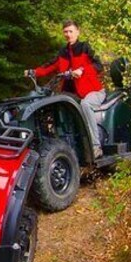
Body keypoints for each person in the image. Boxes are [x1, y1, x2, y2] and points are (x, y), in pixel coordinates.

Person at [24, 20, 105, 158]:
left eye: (71, 31)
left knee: (86, 104)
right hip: (72, 95)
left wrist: (82, 70)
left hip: (93, 92)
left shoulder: (85, 48)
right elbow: (49, 66)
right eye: (65, 32)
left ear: (77, 32)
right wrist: (33, 72)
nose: (68, 34)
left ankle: (95, 146)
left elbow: (98, 65)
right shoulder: (63, 52)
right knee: (55, 106)